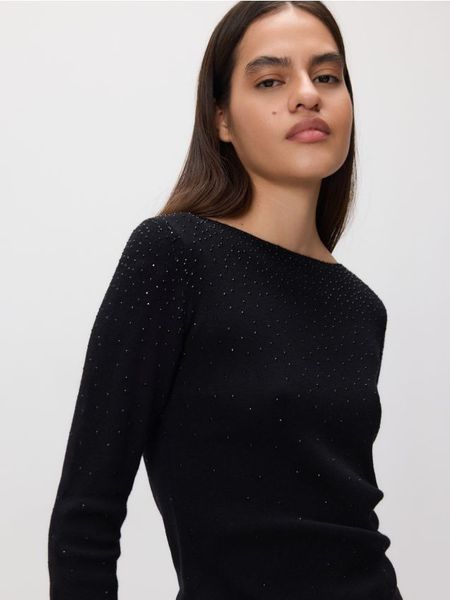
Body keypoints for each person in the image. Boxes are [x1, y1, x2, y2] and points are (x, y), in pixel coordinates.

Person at [48, 2, 404, 599]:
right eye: (270, 80)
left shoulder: (361, 306)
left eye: (326, 76)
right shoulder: (173, 254)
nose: (307, 95)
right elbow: (85, 516)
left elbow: (343, 517)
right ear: (222, 121)